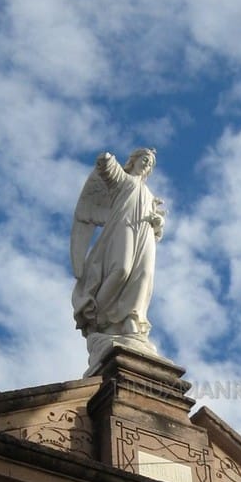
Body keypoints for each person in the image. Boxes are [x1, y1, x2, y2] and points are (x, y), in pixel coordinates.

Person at [70, 148, 166, 370]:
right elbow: (110, 172)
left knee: (144, 275)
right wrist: (107, 161)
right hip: (123, 228)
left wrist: (158, 222)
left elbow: (158, 227)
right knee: (121, 269)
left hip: (145, 233)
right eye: (144, 159)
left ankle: (132, 319)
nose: (147, 164)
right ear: (134, 160)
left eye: (150, 163)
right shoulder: (125, 181)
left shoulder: (149, 193)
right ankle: (100, 317)